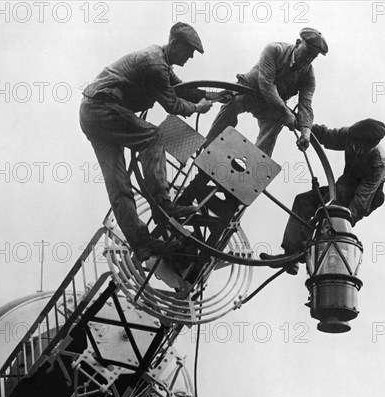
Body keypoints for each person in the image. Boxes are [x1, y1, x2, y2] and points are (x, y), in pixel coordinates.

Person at [80, 23, 218, 262]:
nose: (191, 56)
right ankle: (164, 203)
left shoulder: (160, 62)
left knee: (119, 184)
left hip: (92, 115)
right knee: (153, 137)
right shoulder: (155, 64)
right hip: (103, 108)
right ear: (174, 44)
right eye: (188, 50)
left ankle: (141, 243)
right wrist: (199, 108)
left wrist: (213, 96)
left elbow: (180, 88)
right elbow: (173, 104)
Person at [260, 119, 385, 274]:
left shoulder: (378, 162)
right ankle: (290, 256)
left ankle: (309, 250)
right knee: (303, 200)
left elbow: (362, 199)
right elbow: (327, 135)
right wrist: (302, 126)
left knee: (326, 209)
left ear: (371, 145)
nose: (355, 147)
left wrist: (342, 222)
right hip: (343, 185)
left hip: (366, 196)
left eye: (360, 146)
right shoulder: (351, 134)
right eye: (353, 142)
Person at [204, 27, 328, 156]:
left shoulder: (308, 75)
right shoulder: (274, 49)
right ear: (297, 43)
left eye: (313, 57)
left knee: (274, 126)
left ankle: (256, 169)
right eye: (307, 52)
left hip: (271, 107)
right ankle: (208, 154)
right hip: (248, 91)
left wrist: (305, 133)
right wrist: (285, 112)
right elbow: (266, 84)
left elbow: (306, 104)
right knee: (231, 103)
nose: (308, 59)